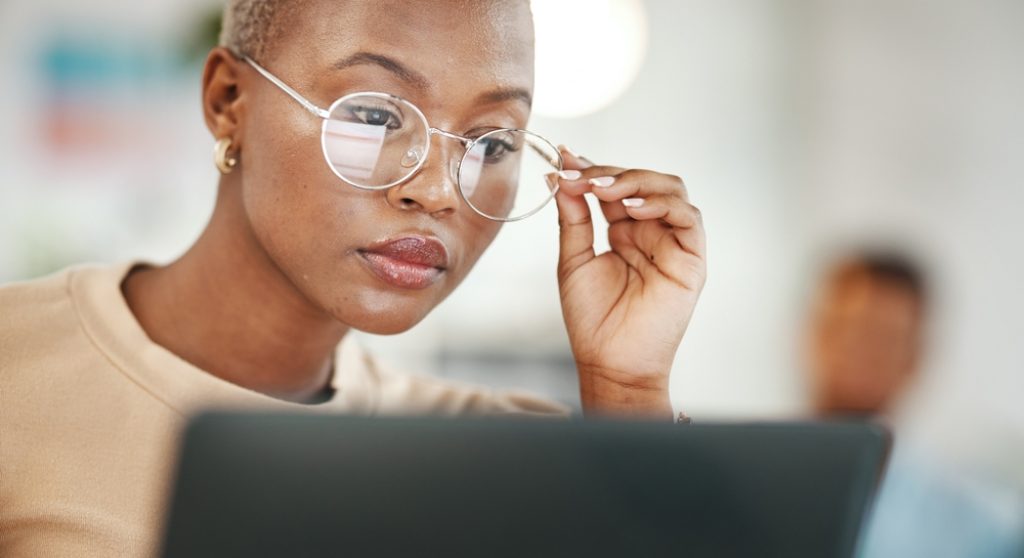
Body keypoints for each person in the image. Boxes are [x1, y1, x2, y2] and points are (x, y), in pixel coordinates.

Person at [0, 1, 707, 556]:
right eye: (372, 114)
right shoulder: (18, 367)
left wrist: (628, 391)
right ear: (227, 101)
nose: (436, 191)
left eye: (493, 142)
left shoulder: (504, 457)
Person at [804, 252, 1023, 557]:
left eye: (884, 339)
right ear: (814, 335)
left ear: (914, 359)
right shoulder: (747, 487)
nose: (860, 354)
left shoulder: (975, 525)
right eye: (847, 330)